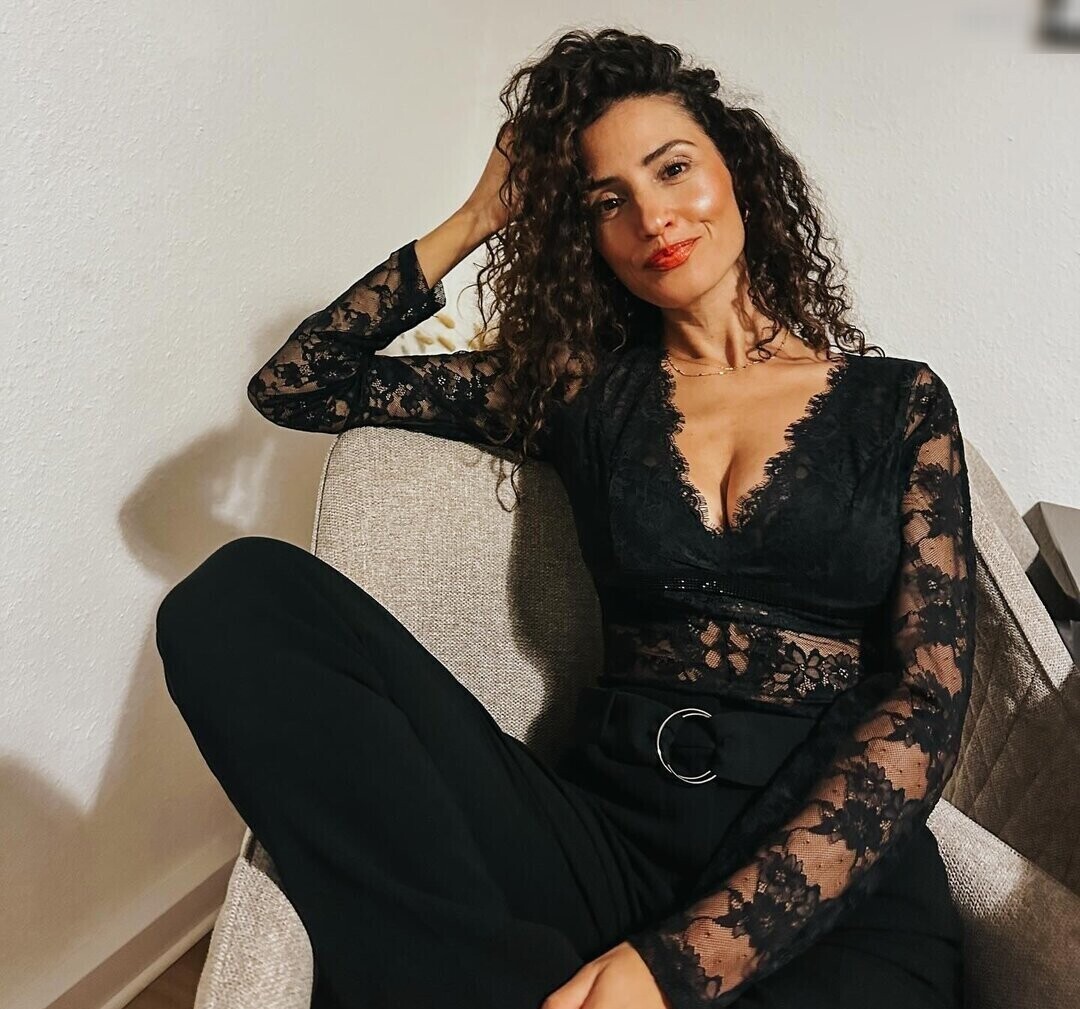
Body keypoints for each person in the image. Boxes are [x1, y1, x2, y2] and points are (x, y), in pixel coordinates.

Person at [155, 27, 975, 1009]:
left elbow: (929, 694)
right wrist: (478, 216)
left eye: (673, 168)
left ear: (739, 172)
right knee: (235, 599)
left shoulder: (898, 403)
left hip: (823, 868)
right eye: (606, 200)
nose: (652, 216)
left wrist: (674, 967)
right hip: (609, 836)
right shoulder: (582, 391)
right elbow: (301, 383)